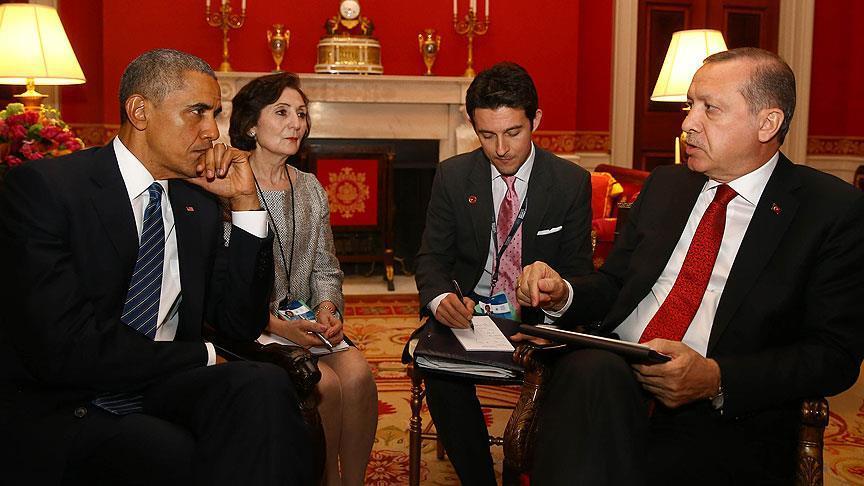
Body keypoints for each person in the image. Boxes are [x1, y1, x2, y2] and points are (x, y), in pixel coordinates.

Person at [518, 47, 864, 485]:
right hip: (614, 375)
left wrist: (716, 378)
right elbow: (615, 284)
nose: (687, 124)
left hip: (721, 413)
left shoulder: (829, 210)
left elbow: (833, 356)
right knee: (592, 371)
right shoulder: (667, 184)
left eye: (710, 109)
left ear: (768, 123)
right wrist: (563, 293)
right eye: (689, 105)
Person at [0, 49, 313, 486]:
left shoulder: (196, 201)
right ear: (140, 111)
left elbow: (238, 324)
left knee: (264, 385)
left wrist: (245, 204)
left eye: (215, 114)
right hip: (74, 397)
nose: (213, 131)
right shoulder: (48, 190)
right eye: (197, 112)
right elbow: (65, 351)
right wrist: (203, 354)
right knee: (174, 454)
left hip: (163, 384)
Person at [412, 62, 594, 485]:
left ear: (536, 120)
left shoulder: (570, 182)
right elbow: (431, 257)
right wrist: (440, 299)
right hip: (471, 314)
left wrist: (554, 299)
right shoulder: (453, 176)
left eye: (513, 132)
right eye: (487, 135)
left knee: (559, 383)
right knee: (439, 373)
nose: (501, 149)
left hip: (537, 321)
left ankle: (517, 475)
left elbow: (580, 275)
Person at [229, 72, 378, 486]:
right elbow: (226, 286)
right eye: (282, 112)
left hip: (307, 322)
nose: (296, 123)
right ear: (250, 126)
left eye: (301, 113)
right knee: (325, 384)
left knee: (359, 376)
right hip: (254, 327)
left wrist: (328, 309)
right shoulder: (230, 187)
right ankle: (327, 480)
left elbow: (326, 266)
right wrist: (278, 327)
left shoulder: (310, 187)